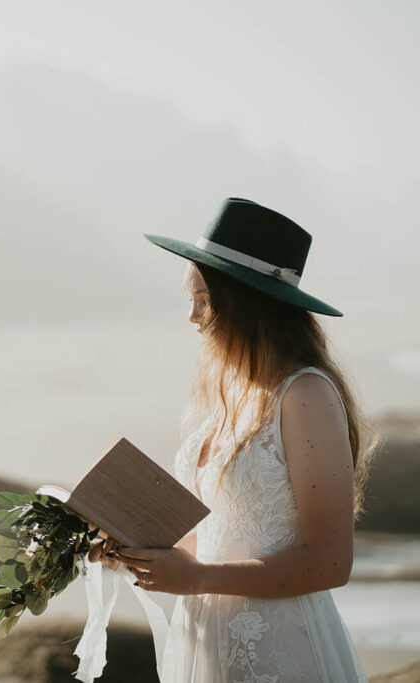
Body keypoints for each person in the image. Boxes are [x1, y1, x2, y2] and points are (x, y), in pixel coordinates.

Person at [90, 198, 374, 682]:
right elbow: (209, 541)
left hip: (282, 654)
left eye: (203, 299)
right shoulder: (223, 396)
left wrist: (198, 578)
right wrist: (133, 549)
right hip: (204, 646)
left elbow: (330, 561)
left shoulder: (304, 395)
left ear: (244, 302)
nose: (192, 316)